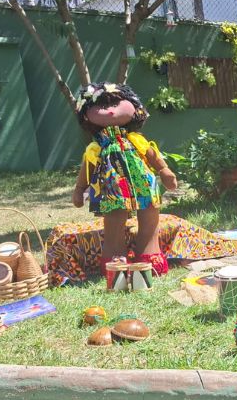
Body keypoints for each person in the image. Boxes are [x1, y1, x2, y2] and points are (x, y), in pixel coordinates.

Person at [72, 82, 177, 276]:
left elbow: (152, 154)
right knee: (114, 220)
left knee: (149, 216)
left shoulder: (137, 139)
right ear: (86, 113)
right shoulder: (96, 148)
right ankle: (115, 259)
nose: (111, 111)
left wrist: (164, 170)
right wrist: (80, 189)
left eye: (116, 104)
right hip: (112, 189)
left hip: (144, 183)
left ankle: (149, 255)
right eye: (102, 106)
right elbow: (88, 166)